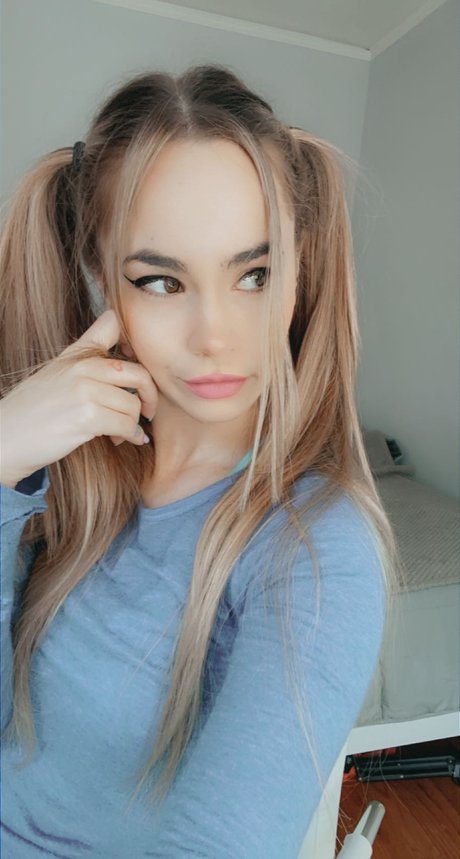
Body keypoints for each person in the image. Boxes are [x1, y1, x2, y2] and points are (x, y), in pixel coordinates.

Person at [0, 64, 404, 858]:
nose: (215, 334)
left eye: (254, 274)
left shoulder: (315, 548)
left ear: (300, 270)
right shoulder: (61, 465)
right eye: (161, 281)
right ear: (102, 281)